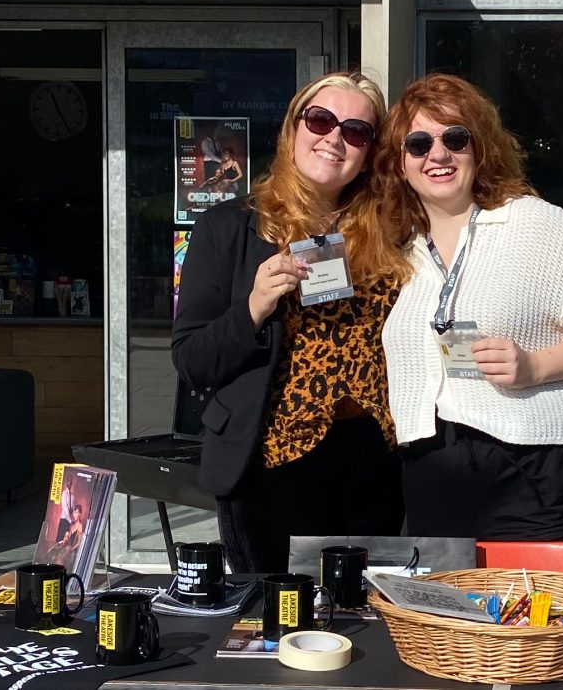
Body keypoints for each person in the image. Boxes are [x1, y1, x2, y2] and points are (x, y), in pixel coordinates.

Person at [376, 73, 563, 573]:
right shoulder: (400, 250)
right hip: (432, 476)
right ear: (399, 164)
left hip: (532, 474)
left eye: (456, 138)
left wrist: (535, 366)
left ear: (480, 149)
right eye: (418, 143)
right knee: (454, 634)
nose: (438, 154)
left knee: (546, 635)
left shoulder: (535, 224)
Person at [172, 72, 406, 573]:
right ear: (293, 127)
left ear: (370, 150)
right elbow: (192, 359)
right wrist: (254, 306)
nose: (334, 138)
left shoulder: (393, 230)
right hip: (271, 462)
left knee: (365, 624)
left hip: (375, 461)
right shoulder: (230, 228)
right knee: (275, 624)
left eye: (356, 131)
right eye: (321, 120)